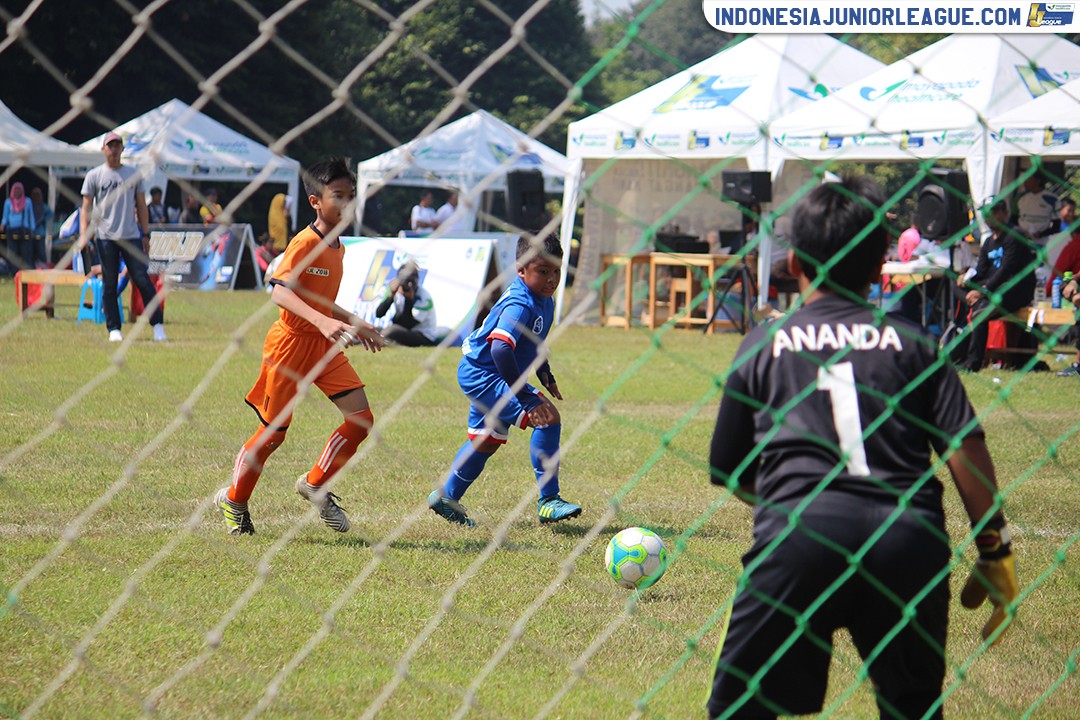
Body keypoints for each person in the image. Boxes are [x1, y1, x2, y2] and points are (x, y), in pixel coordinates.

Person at [706, 175, 1018, 720]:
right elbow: (966, 447)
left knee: (740, 707)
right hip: (907, 540)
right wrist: (994, 546)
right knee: (913, 706)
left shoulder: (763, 344)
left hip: (798, 538)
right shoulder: (917, 346)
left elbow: (728, 468)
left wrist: (797, 500)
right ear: (881, 265)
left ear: (795, 262)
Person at [214, 158, 384, 536]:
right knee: (273, 434)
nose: (346, 204)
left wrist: (358, 323)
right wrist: (324, 322)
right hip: (290, 346)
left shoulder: (338, 246)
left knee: (360, 419)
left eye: (351, 197)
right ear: (315, 202)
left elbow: (320, 299)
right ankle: (235, 499)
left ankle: (314, 483)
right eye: (337, 196)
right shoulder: (305, 242)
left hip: (322, 348)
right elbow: (278, 289)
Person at [427, 234, 582, 527]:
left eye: (556, 272)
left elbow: (532, 341)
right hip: (486, 374)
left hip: (482, 372)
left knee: (487, 440)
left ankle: (447, 496)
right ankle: (549, 500)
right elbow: (500, 347)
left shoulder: (543, 299)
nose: (551, 279)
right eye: (543, 271)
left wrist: (544, 371)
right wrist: (523, 395)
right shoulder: (520, 304)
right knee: (547, 418)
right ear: (521, 271)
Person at [79, 132, 167, 343]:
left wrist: (145, 233)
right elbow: (86, 208)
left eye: (118, 145)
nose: (114, 149)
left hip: (130, 235)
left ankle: (158, 326)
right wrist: (84, 235)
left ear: (123, 149)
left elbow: (141, 206)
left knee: (143, 280)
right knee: (109, 283)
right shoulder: (95, 176)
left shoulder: (133, 174)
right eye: (110, 145)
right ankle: (114, 329)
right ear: (103, 149)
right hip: (105, 237)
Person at [956, 199, 1036, 372]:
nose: (989, 218)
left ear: (1004, 213)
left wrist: (983, 291)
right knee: (955, 285)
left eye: (993, 213)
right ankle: (979, 306)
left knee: (981, 311)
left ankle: (973, 361)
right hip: (992, 290)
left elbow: (1007, 270)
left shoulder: (1014, 235)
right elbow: (981, 271)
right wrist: (966, 280)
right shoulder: (988, 243)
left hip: (1016, 288)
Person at [373, 260, 446, 346]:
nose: (407, 285)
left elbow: (407, 325)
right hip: (402, 329)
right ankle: (360, 340)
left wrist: (409, 300)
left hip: (423, 335)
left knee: (390, 331)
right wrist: (391, 296)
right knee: (372, 330)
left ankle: (376, 341)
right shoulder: (394, 290)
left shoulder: (424, 298)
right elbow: (379, 314)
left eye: (410, 281)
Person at [2, 181, 36, 273]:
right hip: (11, 230)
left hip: (24, 230)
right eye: (15, 190)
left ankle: (27, 272)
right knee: (12, 253)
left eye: (19, 190)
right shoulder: (8, 202)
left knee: (26, 253)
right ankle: (14, 272)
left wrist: (32, 229)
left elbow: (31, 216)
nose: (17, 192)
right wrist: (2, 225)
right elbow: (5, 215)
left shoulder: (27, 201)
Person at [29, 186, 53, 268]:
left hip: (40, 232)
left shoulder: (43, 206)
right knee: (31, 252)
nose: (36, 196)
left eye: (37, 194)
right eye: (34, 195)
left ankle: (43, 267)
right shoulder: (30, 205)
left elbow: (50, 213)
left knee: (41, 252)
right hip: (30, 232)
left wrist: (43, 219)